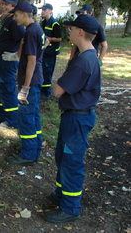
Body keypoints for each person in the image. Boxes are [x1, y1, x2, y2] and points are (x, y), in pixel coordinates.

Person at [44, 14, 101, 223]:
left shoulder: (84, 61)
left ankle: (70, 208)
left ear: (80, 32)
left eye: (71, 28)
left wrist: (53, 83)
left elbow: (58, 90)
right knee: (63, 157)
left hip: (77, 119)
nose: (68, 31)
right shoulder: (87, 55)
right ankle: (61, 195)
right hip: (74, 117)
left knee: (71, 162)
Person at [7, 1, 44, 165]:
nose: (15, 19)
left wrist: (25, 88)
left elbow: (31, 61)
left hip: (30, 82)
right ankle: (36, 148)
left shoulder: (31, 32)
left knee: (27, 117)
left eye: (16, 15)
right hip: (36, 80)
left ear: (24, 14)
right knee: (34, 116)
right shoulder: (36, 29)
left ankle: (28, 154)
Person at [0, 0, 25, 131]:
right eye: (3, 3)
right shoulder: (7, 19)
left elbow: (24, 39)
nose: (4, 6)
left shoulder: (15, 22)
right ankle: (2, 116)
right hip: (2, 60)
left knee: (7, 88)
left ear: (14, 6)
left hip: (9, 60)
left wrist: (16, 55)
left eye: (7, 4)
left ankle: (12, 121)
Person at [39, 3, 61, 98]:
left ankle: (46, 92)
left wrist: (50, 39)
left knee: (47, 71)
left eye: (45, 10)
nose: (42, 11)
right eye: (42, 10)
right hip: (45, 50)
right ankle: (42, 90)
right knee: (43, 70)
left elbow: (59, 38)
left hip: (51, 51)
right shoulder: (43, 22)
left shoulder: (54, 23)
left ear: (50, 11)